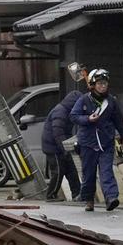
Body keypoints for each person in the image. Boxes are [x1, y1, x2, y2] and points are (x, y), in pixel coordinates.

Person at [72, 68, 123, 211]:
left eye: (104, 83)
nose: (103, 86)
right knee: (89, 173)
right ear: (93, 85)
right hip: (87, 143)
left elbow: (118, 120)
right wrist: (87, 118)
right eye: (99, 83)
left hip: (106, 142)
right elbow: (73, 116)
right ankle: (89, 199)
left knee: (106, 171)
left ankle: (111, 198)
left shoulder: (111, 102)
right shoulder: (84, 100)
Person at [40, 63, 85, 201]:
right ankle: (51, 195)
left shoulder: (67, 110)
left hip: (60, 146)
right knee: (58, 171)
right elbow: (57, 133)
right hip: (53, 147)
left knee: (71, 170)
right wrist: (64, 149)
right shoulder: (61, 112)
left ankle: (77, 194)